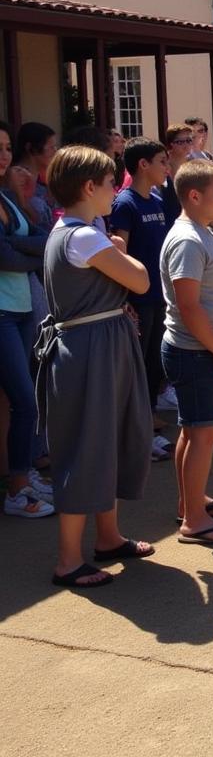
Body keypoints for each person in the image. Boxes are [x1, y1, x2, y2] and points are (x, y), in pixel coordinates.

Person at [36, 146, 155, 587]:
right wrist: (121, 248)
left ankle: (108, 538)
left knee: (111, 438)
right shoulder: (84, 237)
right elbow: (140, 279)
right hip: (91, 349)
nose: (115, 191)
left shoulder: (73, 230)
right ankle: (68, 560)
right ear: (89, 187)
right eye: (109, 183)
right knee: (87, 445)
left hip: (100, 343)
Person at [160, 160, 213, 545]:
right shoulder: (187, 240)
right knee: (202, 432)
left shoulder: (204, 231)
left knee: (200, 429)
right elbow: (189, 306)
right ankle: (194, 520)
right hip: (196, 353)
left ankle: (190, 502)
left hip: (211, 349)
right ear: (194, 196)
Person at [109, 137, 174, 460]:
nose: (168, 167)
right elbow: (120, 253)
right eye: (162, 161)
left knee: (152, 363)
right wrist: (126, 299)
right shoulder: (125, 203)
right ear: (143, 165)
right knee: (138, 367)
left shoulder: (158, 199)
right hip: (138, 299)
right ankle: (137, 435)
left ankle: (147, 420)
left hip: (159, 295)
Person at [0, 121, 52, 519]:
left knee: (26, 399)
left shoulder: (9, 196)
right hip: (2, 314)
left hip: (21, 310)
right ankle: (17, 490)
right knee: (24, 401)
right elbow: (7, 258)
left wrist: (17, 244)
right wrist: (22, 248)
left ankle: (24, 473)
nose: (3, 156)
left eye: (5, 147)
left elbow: (45, 236)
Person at [13, 121, 57, 229]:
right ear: (30, 147)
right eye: (51, 147)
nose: (55, 151)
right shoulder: (16, 178)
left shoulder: (43, 177)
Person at [161, 123, 196, 225]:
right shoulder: (162, 168)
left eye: (189, 141)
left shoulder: (192, 167)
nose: (186, 145)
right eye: (181, 142)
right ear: (170, 144)